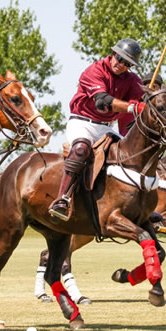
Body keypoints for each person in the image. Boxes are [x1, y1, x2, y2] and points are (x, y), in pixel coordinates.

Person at [48, 38, 146, 221]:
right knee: (80, 150)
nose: (122, 65)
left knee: (132, 154)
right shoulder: (94, 71)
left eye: (127, 63)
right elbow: (103, 101)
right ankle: (62, 199)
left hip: (106, 127)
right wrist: (133, 107)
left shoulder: (131, 79)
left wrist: (149, 93)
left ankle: (141, 205)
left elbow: (142, 97)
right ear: (113, 54)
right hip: (82, 122)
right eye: (120, 58)